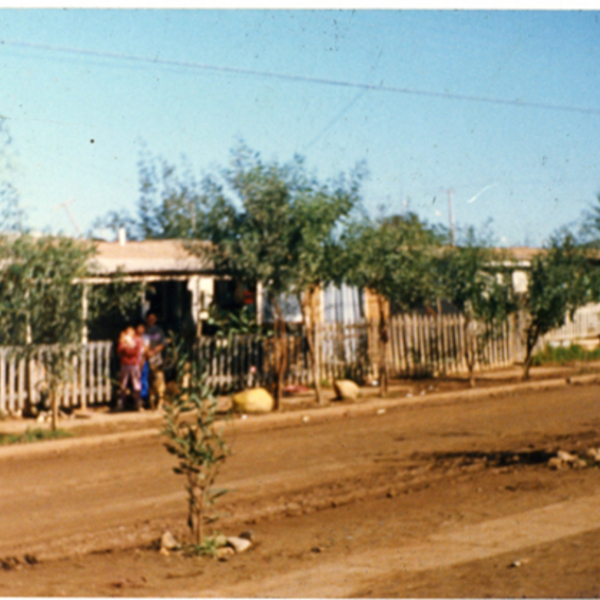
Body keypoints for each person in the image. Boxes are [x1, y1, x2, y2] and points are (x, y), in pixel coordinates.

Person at [117, 325, 144, 411]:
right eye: (127, 331)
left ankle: (138, 403)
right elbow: (119, 350)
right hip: (124, 363)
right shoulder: (123, 339)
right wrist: (125, 345)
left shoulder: (137, 340)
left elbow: (135, 351)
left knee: (136, 383)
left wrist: (126, 347)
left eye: (131, 331)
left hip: (134, 363)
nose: (129, 333)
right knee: (123, 384)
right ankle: (121, 403)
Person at [143, 313, 166, 410]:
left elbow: (163, 343)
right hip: (145, 357)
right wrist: (146, 352)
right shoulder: (144, 330)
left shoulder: (159, 331)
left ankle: (160, 401)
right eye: (149, 318)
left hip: (157, 358)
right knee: (148, 379)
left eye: (153, 318)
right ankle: (150, 402)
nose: (151, 320)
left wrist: (154, 351)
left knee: (159, 379)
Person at [136, 323, 151, 408]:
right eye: (139, 327)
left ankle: (145, 399)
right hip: (134, 361)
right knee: (135, 380)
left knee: (144, 380)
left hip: (143, 360)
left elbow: (146, 349)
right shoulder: (133, 337)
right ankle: (137, 400)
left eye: (142, 327)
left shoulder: (146, 338)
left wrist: (142, 361)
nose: (140, 329)